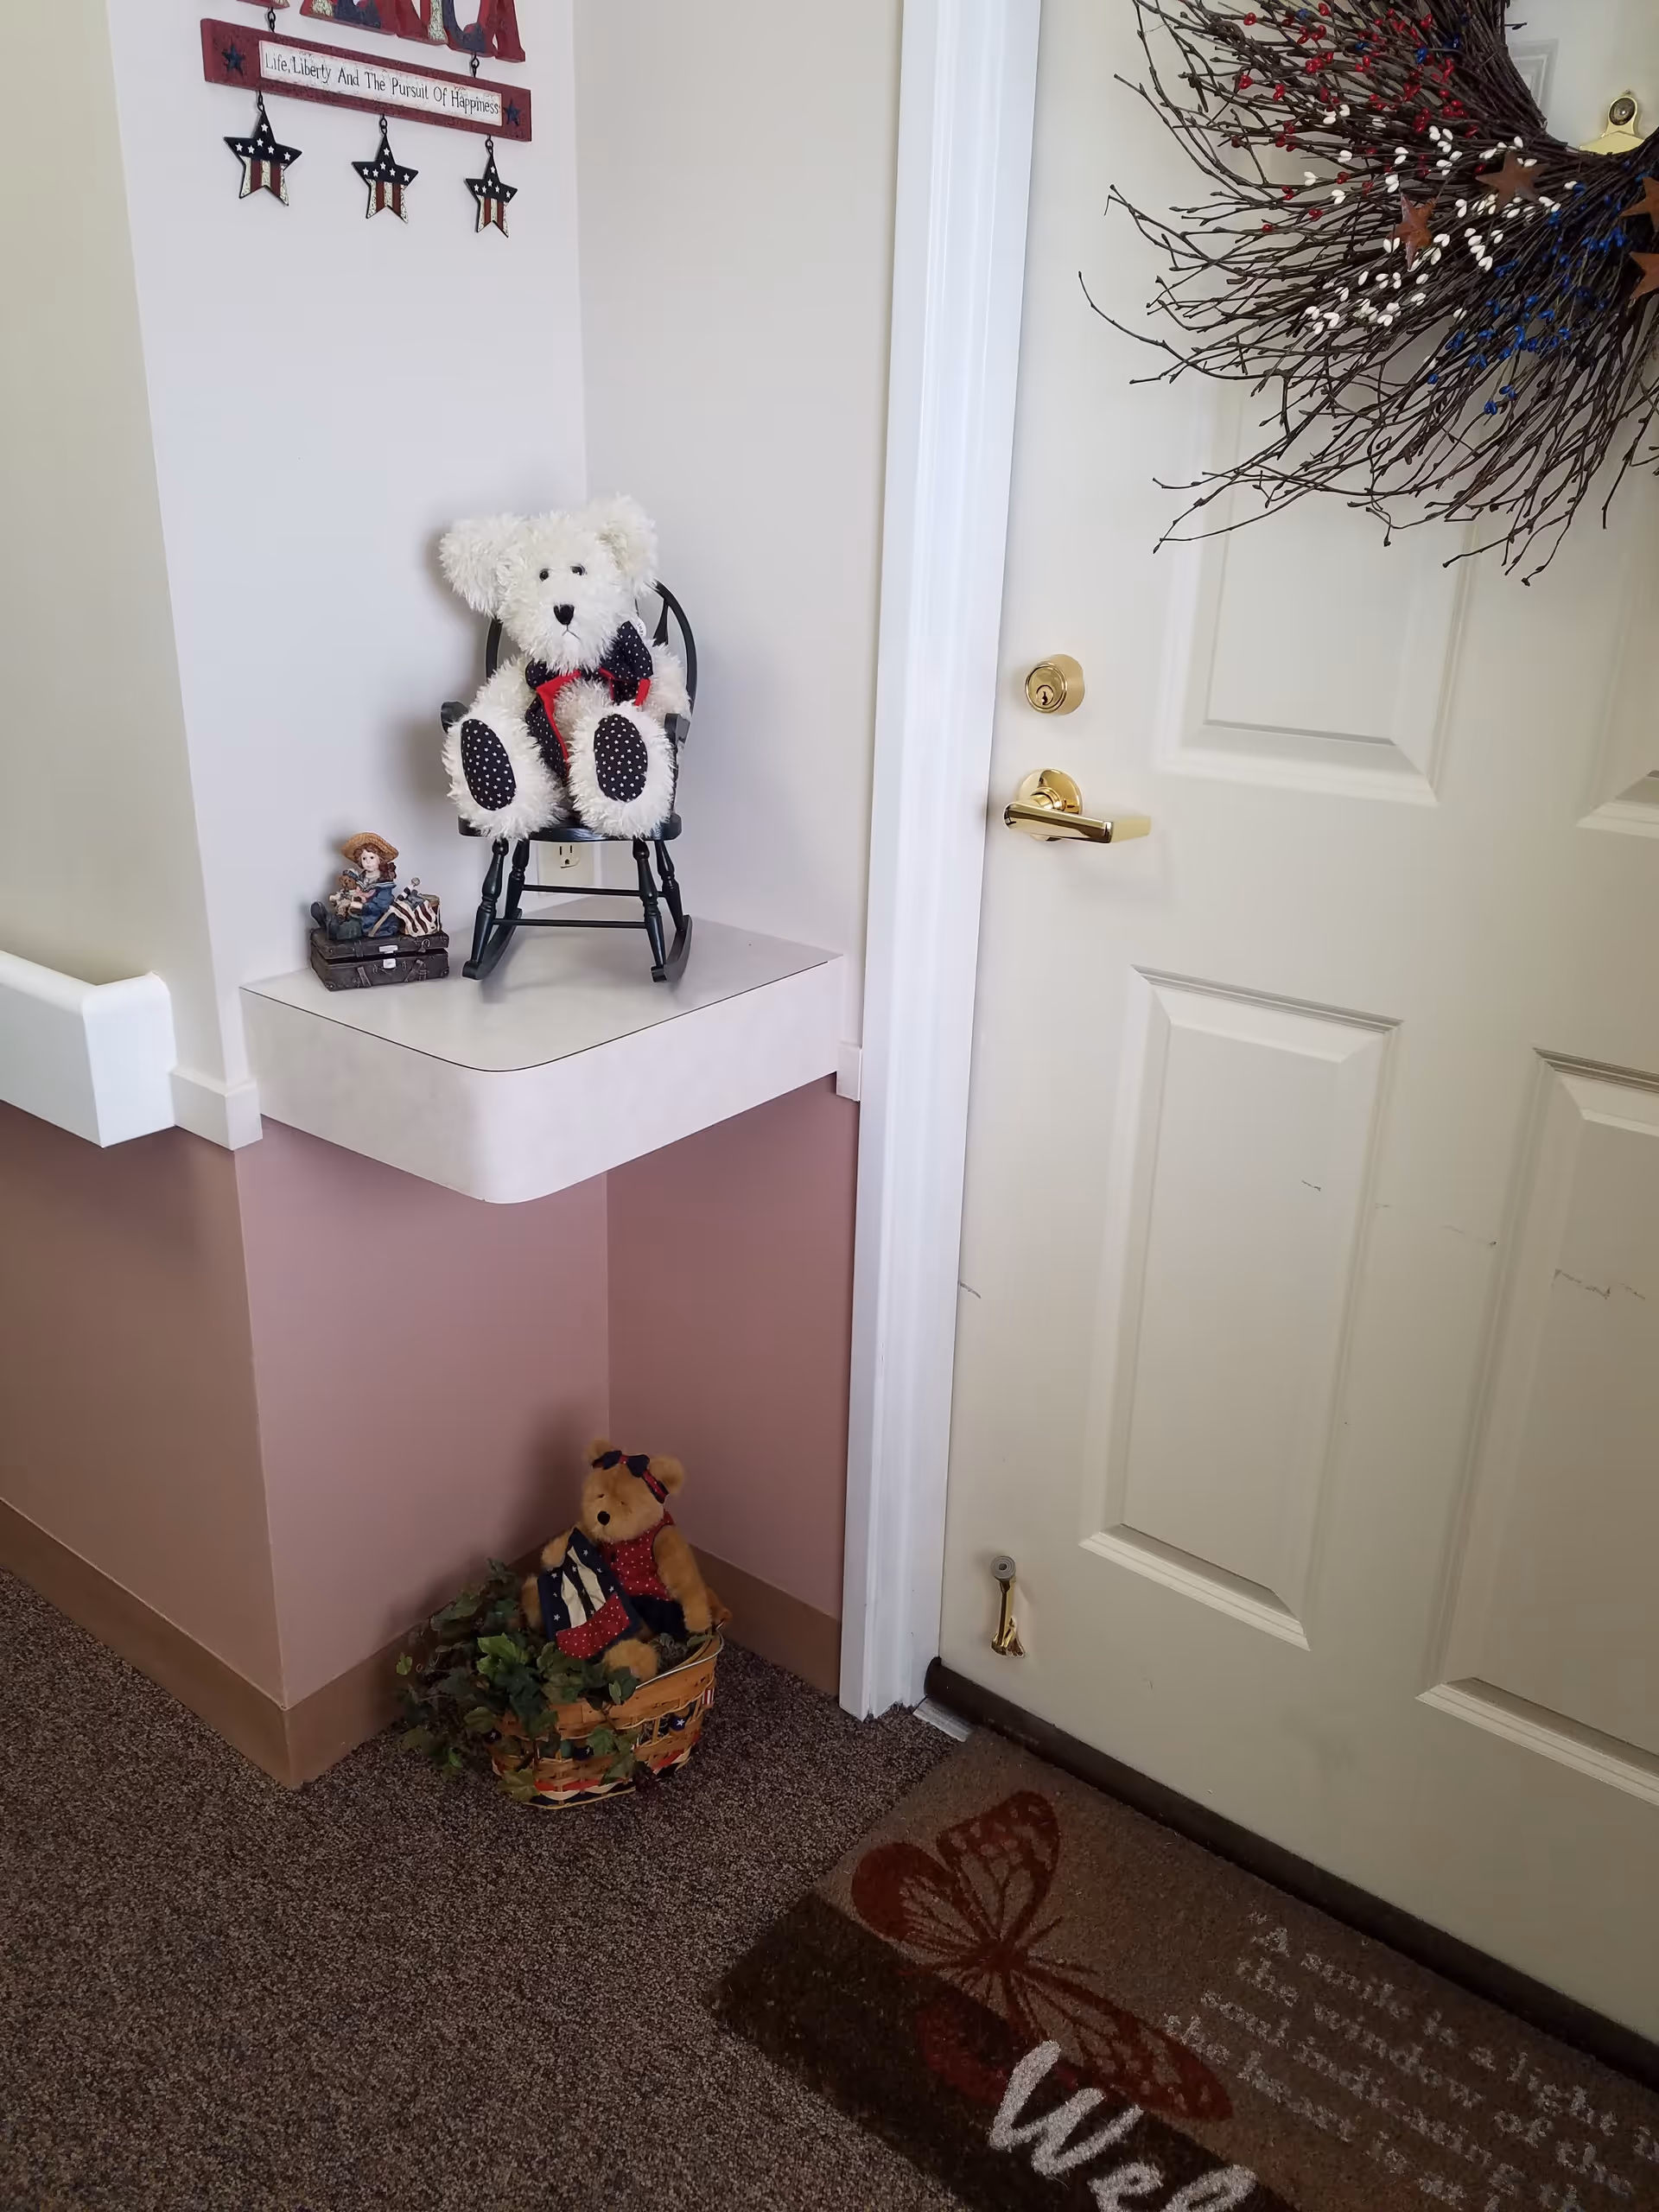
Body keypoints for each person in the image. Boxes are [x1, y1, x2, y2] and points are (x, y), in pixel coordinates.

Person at [312, 833, 401, 942]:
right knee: (342, 916)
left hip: (374, 918)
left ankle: (335, 932)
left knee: (352, 927)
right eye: (364, 858)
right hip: (355, 912)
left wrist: (362, 906)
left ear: (380, 859)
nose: (368, 862)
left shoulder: (384, 882)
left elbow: (382, 906)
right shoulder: (362, 877)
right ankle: (326, 921)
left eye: (372, 857)